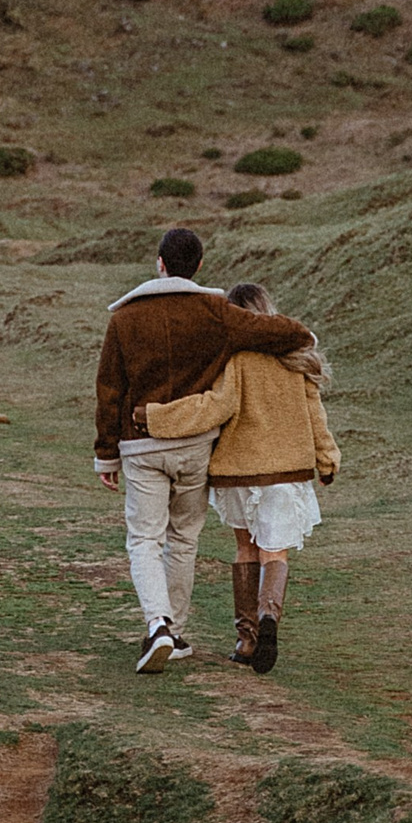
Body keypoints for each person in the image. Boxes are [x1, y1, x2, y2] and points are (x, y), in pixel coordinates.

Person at [93, 226, 315, 673]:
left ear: (159, 263)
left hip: (141, 446)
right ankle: (173, 631)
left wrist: (107, 453)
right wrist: (302, 338)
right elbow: (279, 332)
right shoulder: (215, 311)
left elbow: (109, 392)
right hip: (196, 448)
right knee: (183, 539)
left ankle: (157, 624)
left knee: (143, 539)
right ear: (197, 266)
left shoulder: (122, 320)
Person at [143, 283, 338, 674]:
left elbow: (213, 408)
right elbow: (316, 415)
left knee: (246, 549)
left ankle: (246, 640)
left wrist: (154, 418)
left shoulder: (234, 359)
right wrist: (327, 459)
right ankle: (269, 619)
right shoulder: (295, 358)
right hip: (285, 471)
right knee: (274, 552)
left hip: (236, 472)